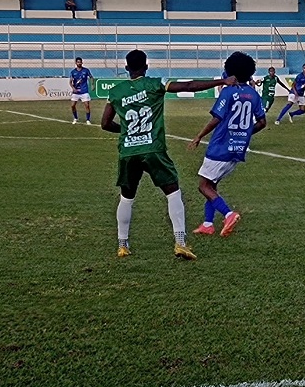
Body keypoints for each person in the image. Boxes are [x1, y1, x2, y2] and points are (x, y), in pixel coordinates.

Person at [100, 49, 236, 260]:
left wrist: (127, 131)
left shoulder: (116, 92)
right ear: (146, 66)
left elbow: (105, 124)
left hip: (128, 151)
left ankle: (122, 246)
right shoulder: (155, 84)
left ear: (127, 68)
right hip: (153, 149)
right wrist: (222, 81)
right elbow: (189, 86)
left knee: (126, 198)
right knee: (173, 193)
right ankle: (180, 243)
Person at [188, 52, 266, 237]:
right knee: (212, 185)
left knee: (203, 186)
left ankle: (228, 214)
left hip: (220, 147)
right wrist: (244, 134)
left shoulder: (228, 91)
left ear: (230, 72)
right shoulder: (253, 94)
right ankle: (208, 224)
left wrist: (199, 136)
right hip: (237, 148)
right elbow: (262, 123)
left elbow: (217, 118)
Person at [70, 57, 94, 125]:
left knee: (87, 105)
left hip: (84, 91)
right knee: (72, 105)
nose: (79, 63)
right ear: (76, 63)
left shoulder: (86, 70)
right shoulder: (73, 72)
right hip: (76, 92)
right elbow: (70, 82)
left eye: (80, 62)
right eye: (78, 62)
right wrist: (73, 88)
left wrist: (92, 85)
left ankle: (88, 120)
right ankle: (75, 118)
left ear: (82, 62)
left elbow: (91, 77)